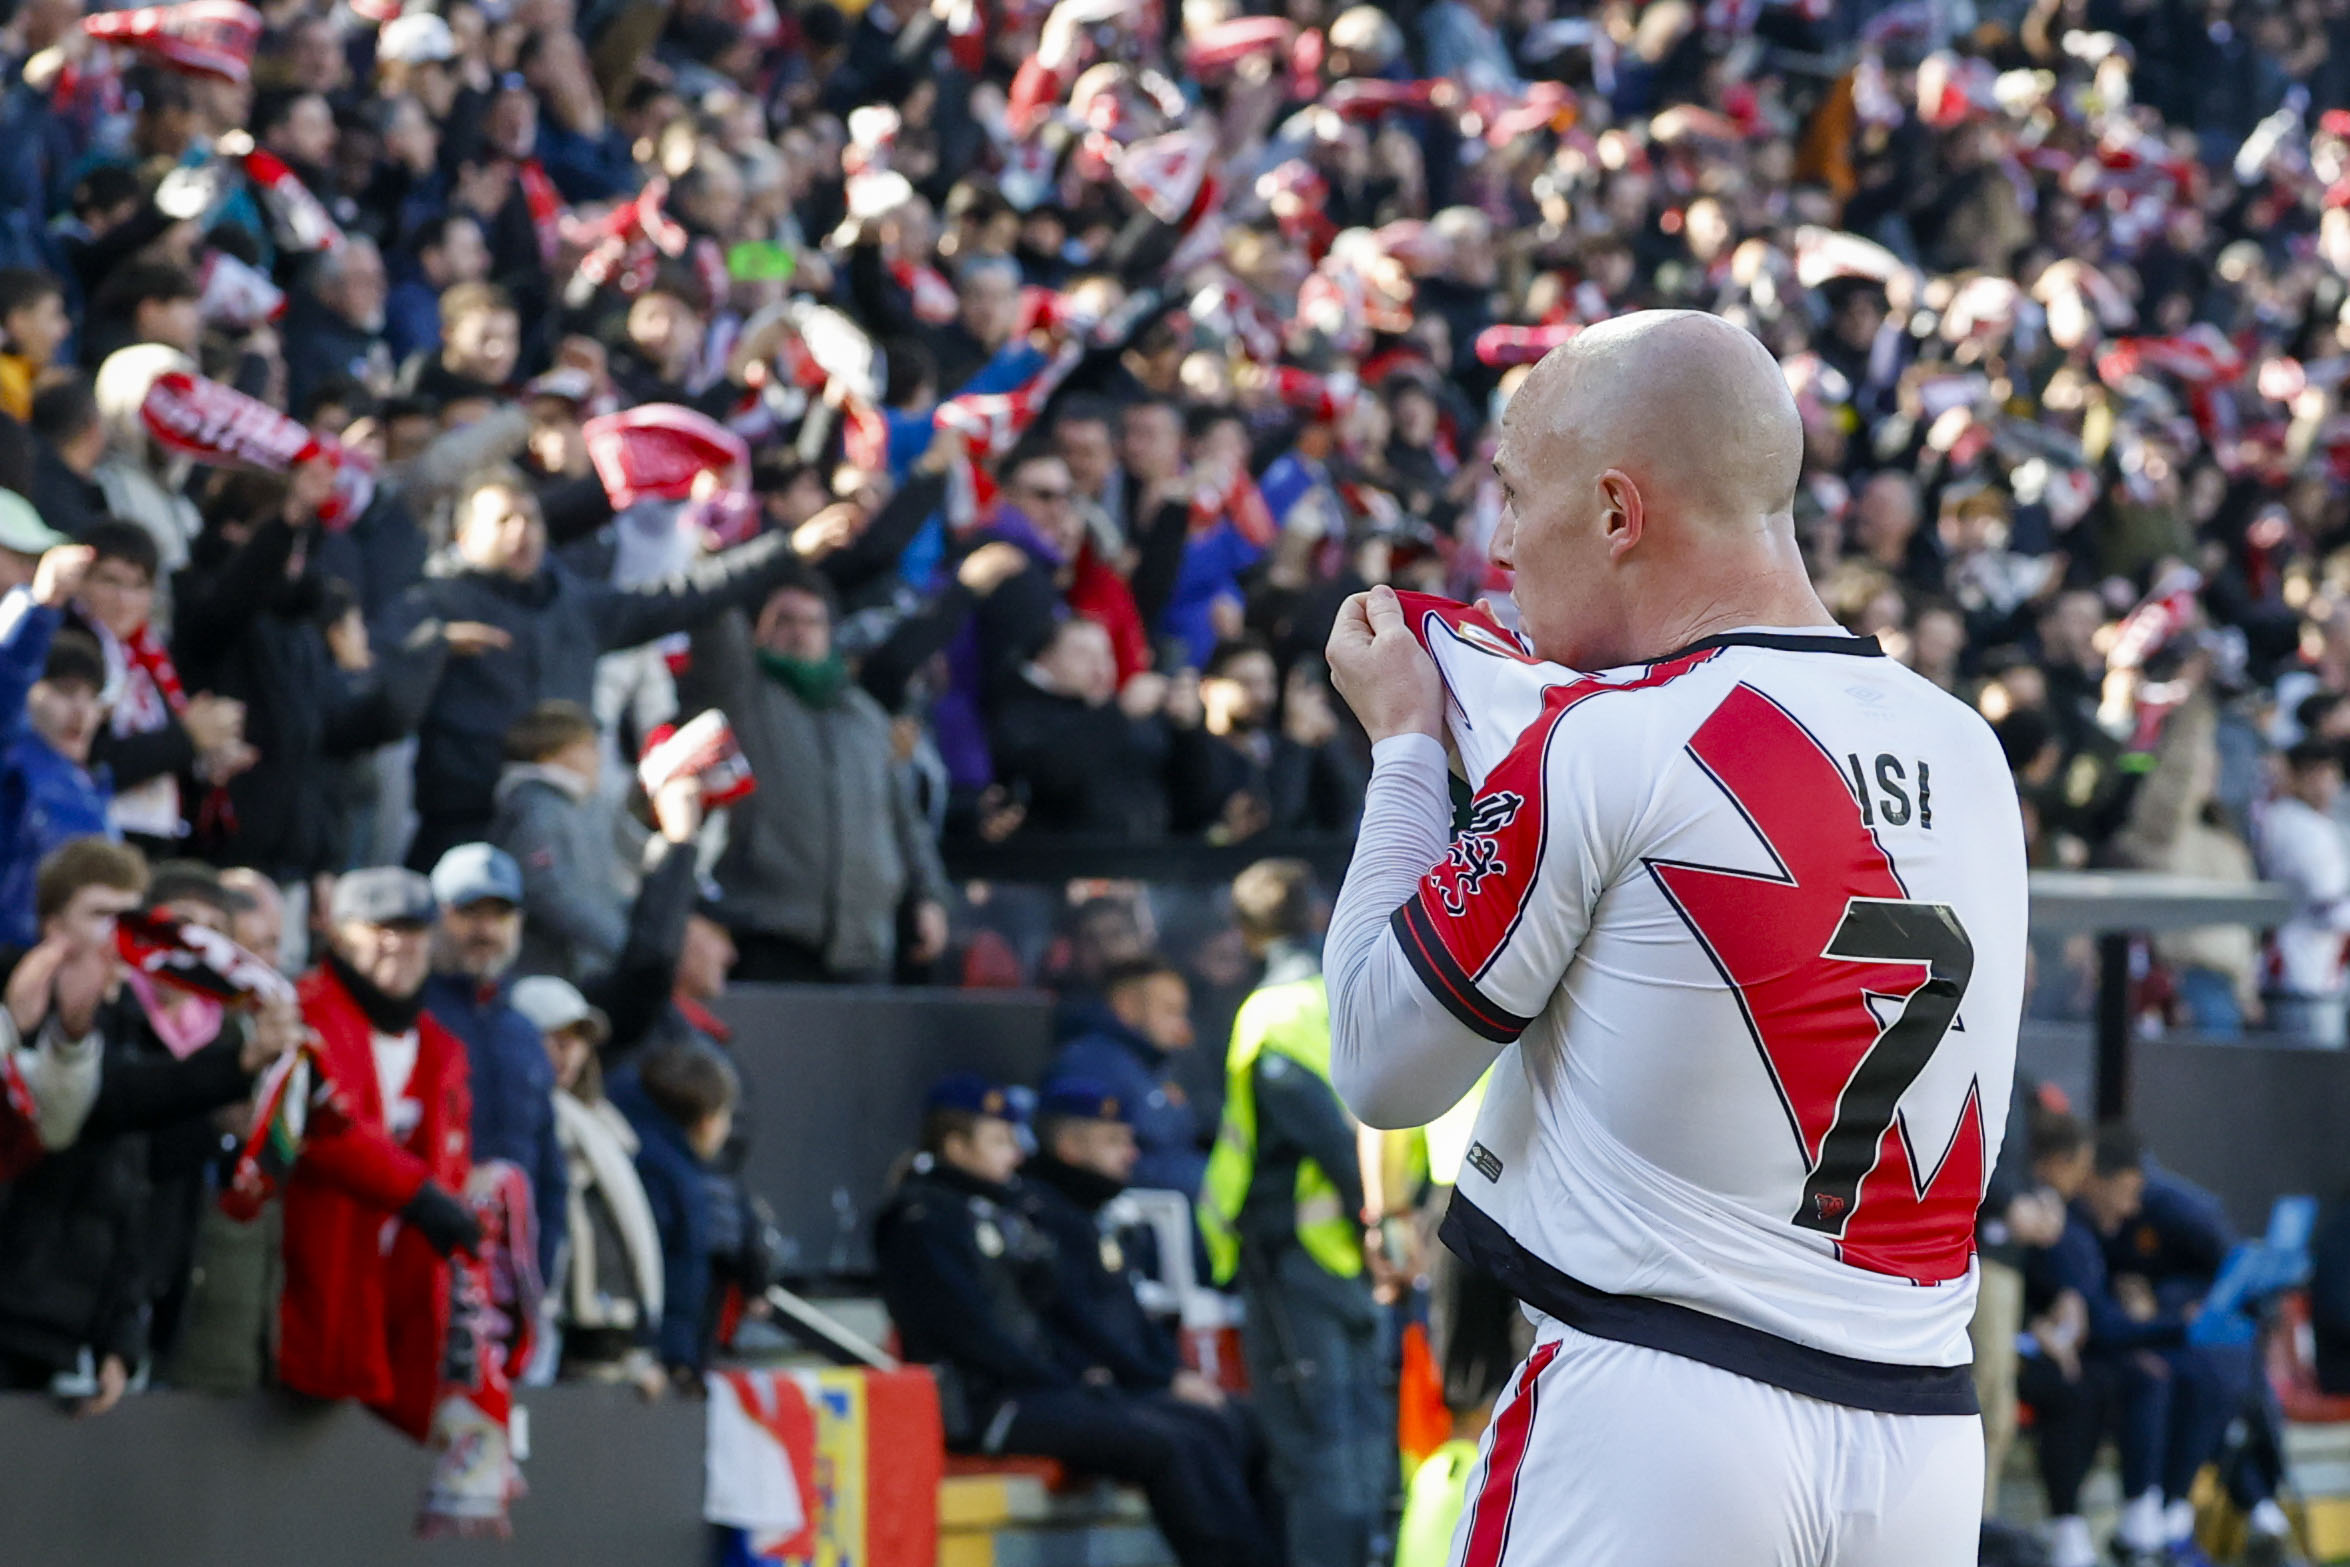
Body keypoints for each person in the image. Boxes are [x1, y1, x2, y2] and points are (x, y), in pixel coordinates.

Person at [1320, 313, 2028, 1564]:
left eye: (1512, 494)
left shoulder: (1611, 738)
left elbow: (1382, 1061)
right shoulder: (1966, 747)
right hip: (1919, 1433)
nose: (1495, 545)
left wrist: (1406, 750)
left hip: (1657, 1408)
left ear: (1613, 511)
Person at [875, 1074, 1275, 1567]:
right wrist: (1069, 1378)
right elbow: (973, 1333)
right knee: (1166, 1442)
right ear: (956, 1146)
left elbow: (1047, 1315)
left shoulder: (1001, 1212)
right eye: (998, 1141)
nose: (1015, 1155)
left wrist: (1080, 1375)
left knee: (1204, 1426)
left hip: (1043, 1389)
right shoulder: (922, 1220)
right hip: (990, 1405)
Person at [380, 466, 818, 869]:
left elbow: (681, 596)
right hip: (463, 830)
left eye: (530, 519)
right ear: (464, 534)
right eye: (503, 521)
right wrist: (432, 648)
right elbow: (377, 700)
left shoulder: (575, 605)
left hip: (563, 831)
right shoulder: (432, 606)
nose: (521, 533)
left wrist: (784, 551)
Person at [1198, 858, 1390, 1567]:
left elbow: (1321, 1133)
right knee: (1364, 1438)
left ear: (1247, 932)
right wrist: (1387, 1227)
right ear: (1317, 915)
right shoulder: (1351, 994)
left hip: (1297, 1255)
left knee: (1316, 1449)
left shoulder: (1269, 1014)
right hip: (1365, 1252)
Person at [280, 866, 481, 1441]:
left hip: (400, 1294)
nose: (400, 942)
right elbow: (324, 1128)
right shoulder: (306, 1011)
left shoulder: (441, 1047)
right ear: (339, 936)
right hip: (314, 1279)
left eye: (413, 928)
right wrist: (419, 1195)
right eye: (380, 927)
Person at [680, 575, 949, 984]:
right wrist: (728, 566)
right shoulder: (743, 695)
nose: (799, 632)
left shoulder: (866, 716)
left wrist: (929, 897)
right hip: (769, 932)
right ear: (759, 631)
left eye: (813, 622)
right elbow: (716, 626)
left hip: (865, 941)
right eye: (785, 620)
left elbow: (903, 819)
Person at [511, 974, 664, 1392]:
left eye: (577, 1038)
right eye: (553, 1036)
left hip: (589, 1333)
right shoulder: (515, 1118)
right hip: (528, 1317)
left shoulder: (599, 1124)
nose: (568, 1051)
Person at [421, 842, 565, 1281]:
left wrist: (541, 1269)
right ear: (436, 916)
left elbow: (547, 1163)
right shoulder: (410, 1014)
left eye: (499, 915)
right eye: (469, 913)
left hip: (512, 1277)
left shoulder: (522, 1030)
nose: (485, 930)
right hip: (431, 1261)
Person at [606, 1036, 737, 1384]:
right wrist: (666, 1352)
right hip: (642, 1353)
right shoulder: (667, 1174)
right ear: (707, 1120)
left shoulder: (664, 1161)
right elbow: (667, 1263)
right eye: (726, 1116)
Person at [0, 543, 113, 947]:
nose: (81, 711)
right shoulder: (10, 757)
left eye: (92, 696)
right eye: (64, 691)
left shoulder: (96, 783)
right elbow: (8, 681)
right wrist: (45, 607)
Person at [1049, 958, 1209, 1197]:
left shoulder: (1155, 1065)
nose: (1182, 1026)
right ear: (1127, 1005)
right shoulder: (1090, 1065)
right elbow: (1099, 1163)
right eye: (1170, 1011)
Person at [2259, 739, 2350, 1045]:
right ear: (2303, 776)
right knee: (2311, 1071)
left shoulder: (2302, 820)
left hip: (2316, 966)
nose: (2332, 785)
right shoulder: (2297, 824)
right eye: (2324, 775)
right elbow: (2327, 904)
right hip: (2299, 963)